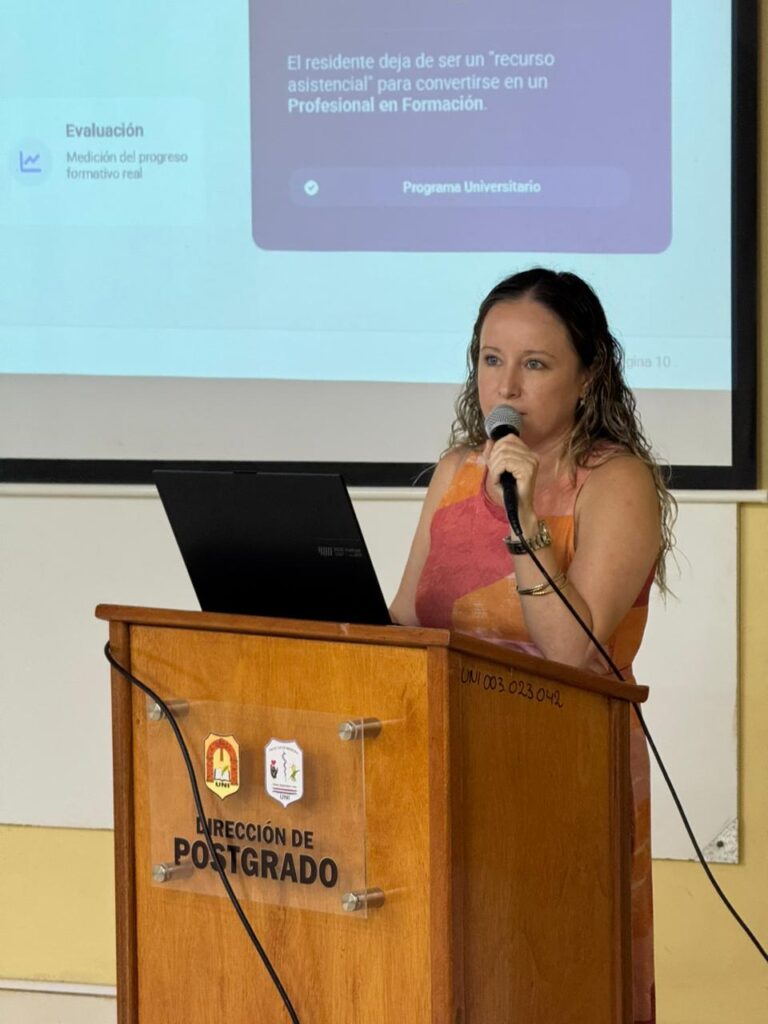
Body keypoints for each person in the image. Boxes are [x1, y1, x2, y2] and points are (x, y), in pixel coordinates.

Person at [391, 267, 675, 1024]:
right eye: (491, 359)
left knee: (548, 979)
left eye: (535, 363)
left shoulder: (616, 482)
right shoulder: (456, 473)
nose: (506, 385)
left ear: (589, 376)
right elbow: (407, 621)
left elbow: (568, 651)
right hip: (443, 766)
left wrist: (521, 523)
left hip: (563, 770)